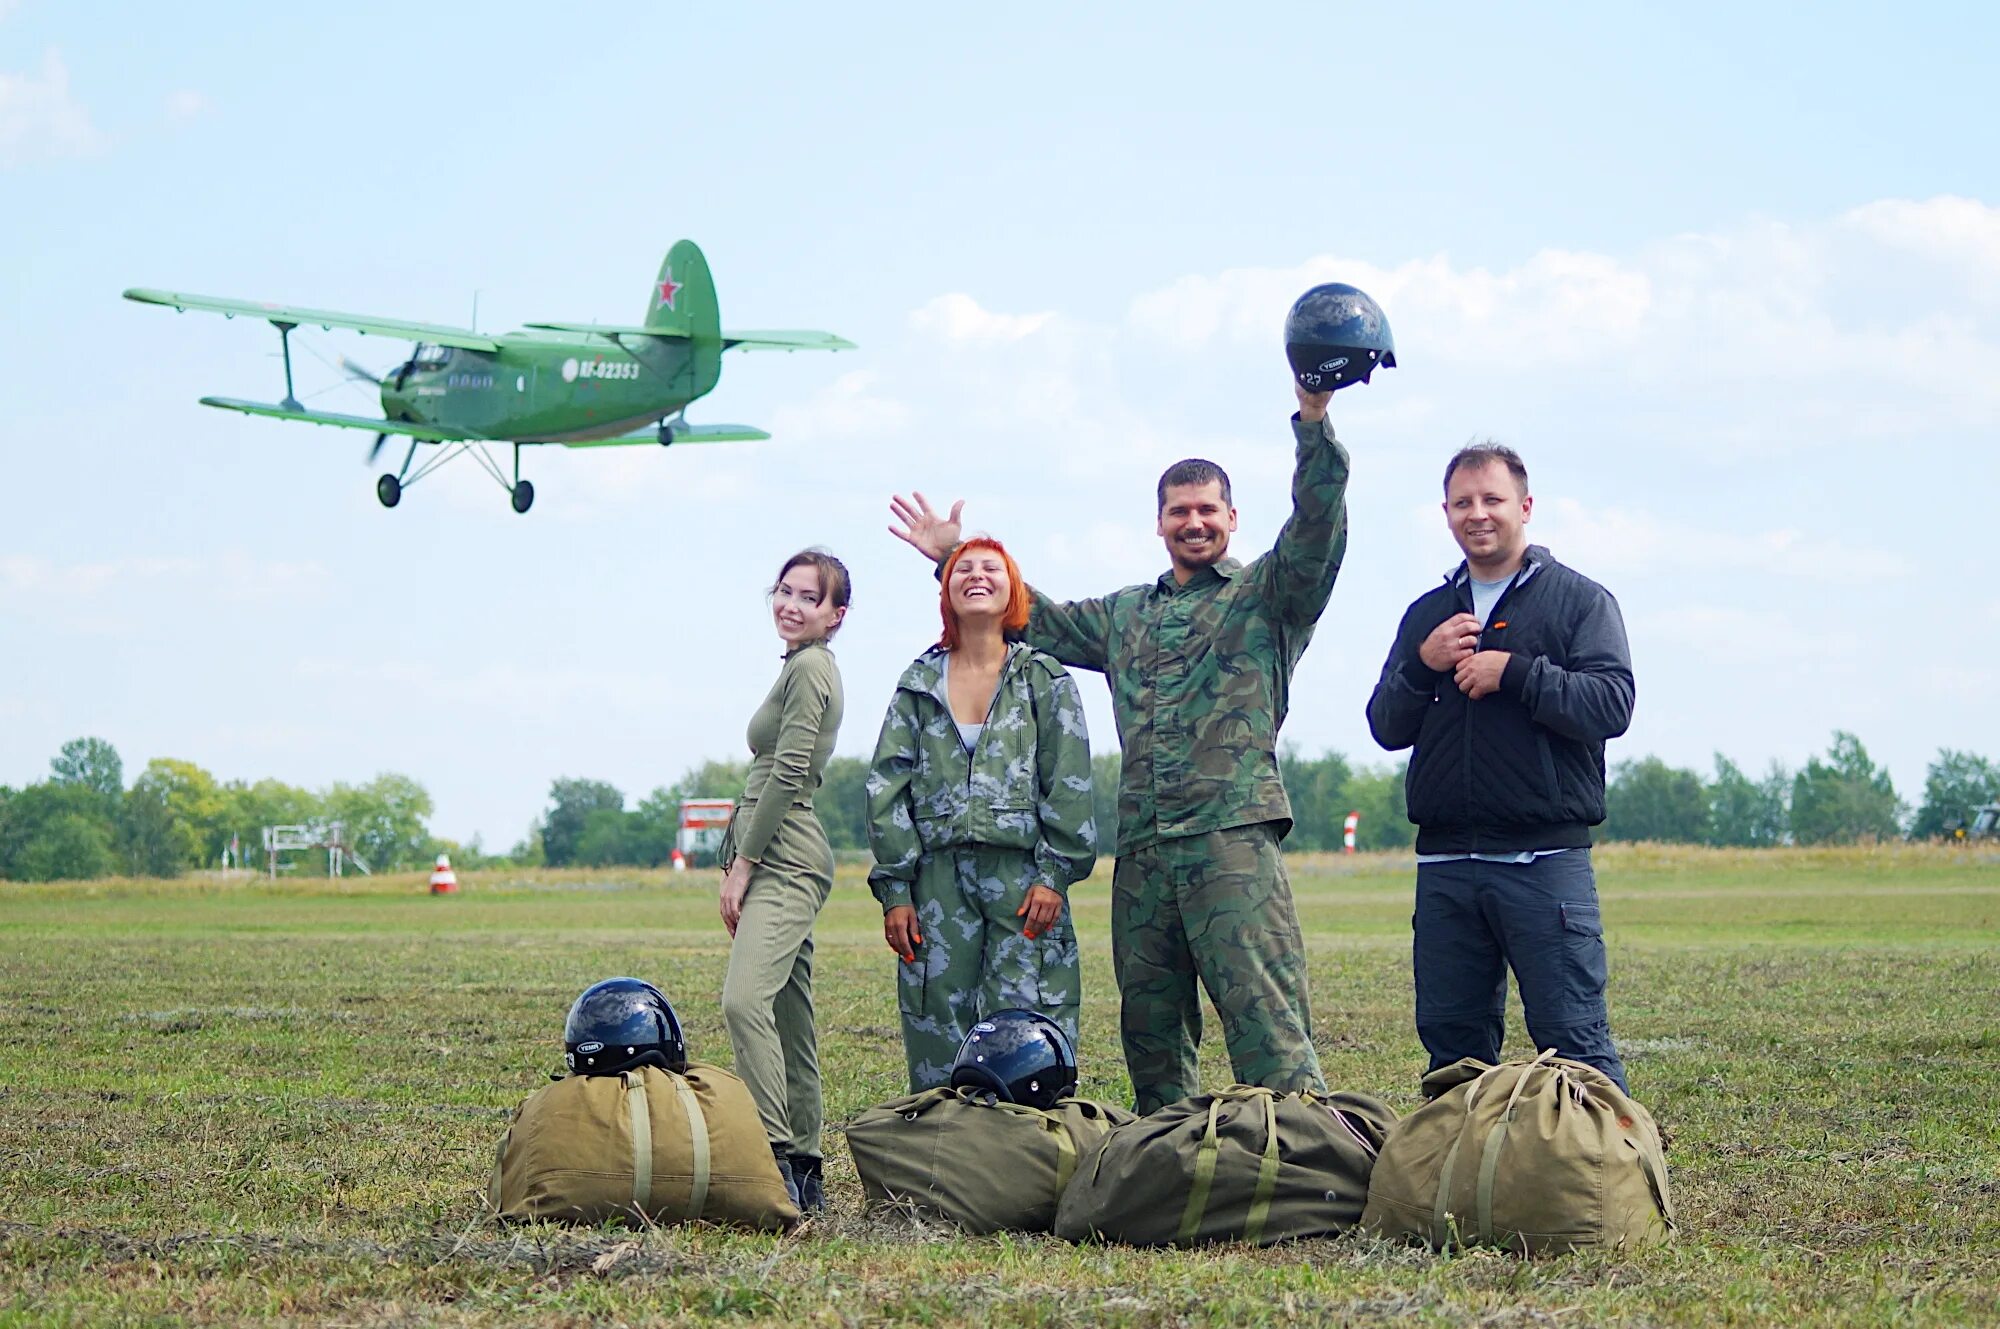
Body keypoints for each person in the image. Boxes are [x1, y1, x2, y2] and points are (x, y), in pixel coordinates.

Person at [890, 382, 1349, 1115]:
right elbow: (1037, 619)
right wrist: (958, 558)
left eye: (1208, 510)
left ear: (1233, 518)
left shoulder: (1267, 596)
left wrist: (1314, 426)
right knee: (1151, 1029)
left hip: (1229, 839)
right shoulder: (1129, 614)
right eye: (1180, 511)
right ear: (1160, 523)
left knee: (1264, 1019)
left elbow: (1318, 529)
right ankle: (1169, 1161)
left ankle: (1312, 1162)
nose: (1194, 522)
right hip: (1143, 852)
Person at [1364, 443, 1633, 1091]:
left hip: (1544, 862)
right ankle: (1460, 1187)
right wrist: (1422, 664)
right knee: (1453, 1053)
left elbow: (1612, 703)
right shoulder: (1428, 613)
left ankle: (1610, 1185)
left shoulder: (1579, 603)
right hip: (1446, 867)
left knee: (1575, 1046)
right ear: (1447, 512)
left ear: (1526, 507)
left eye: (1492, 499)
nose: (1477, 514)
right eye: (1463, 502)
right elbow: (1385, 724)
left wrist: (1515, 673)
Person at [866, 536, 1098, 1091]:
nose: (976, 575)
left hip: (1023, 883)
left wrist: (1054, 876)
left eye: (991, 568)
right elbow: (886, 785)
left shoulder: (1043, 677)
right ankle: (944, 1155)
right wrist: (897, 889)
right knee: (937, 1018)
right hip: (935, 883)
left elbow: (1069, 779)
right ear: (946, 589)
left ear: (1012, 589)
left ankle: (1028, 1154)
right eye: (963, 568)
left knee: (1025, 1021)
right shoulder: (918, 682)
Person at [718, 548, 849, 1210]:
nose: (791, 604)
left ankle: (774, 1158)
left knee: (743, 1001)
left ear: (835, 614)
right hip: (781, 848)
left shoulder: (811, 667)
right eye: (785, 591)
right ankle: (808, 1168)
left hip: (785, 853)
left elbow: (790, 767)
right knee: (790, 1015)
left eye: (809, 597)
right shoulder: (802, 665)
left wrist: (746, 861)